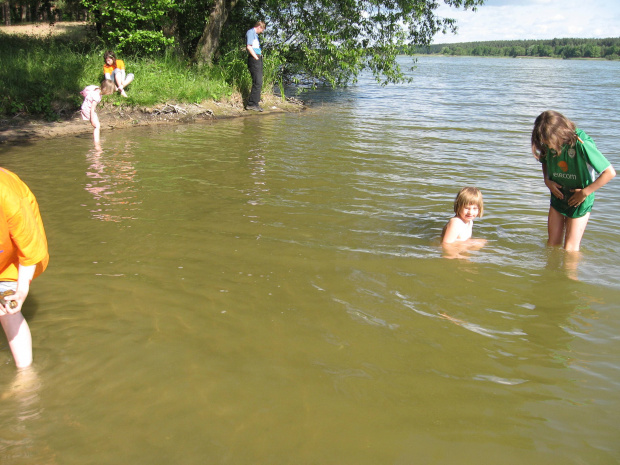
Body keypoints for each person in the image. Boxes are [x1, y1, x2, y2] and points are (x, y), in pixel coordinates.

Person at [531, 110, 616, 252]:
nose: (547, 146)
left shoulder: (581, 144)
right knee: (552, 244)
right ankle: (552, 273)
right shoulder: (547, 140)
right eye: (544, 143)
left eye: (549, 143)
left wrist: (584, 193)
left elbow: (609, 173)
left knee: (570, 249)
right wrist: (547, 180)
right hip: (558, 195)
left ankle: (570, 274)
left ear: (560, 133)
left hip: (580, 199)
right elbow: (544, 161)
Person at [0, 167, 49, 368]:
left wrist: (21, 292)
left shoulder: (9, 195)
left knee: (7, 307)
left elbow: (28, 248)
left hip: (9, 255)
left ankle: (26, 377)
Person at [245, 21, 266, 112]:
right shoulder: (251, 32)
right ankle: (251, 104)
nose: (261, 32)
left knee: (259, 81)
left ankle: (255, 103)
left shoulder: (255, 35)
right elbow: (249, 46)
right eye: (262, 29)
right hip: (254, 59)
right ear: (259, 27)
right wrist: (256, 57)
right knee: (257, 81)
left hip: (257, 58)